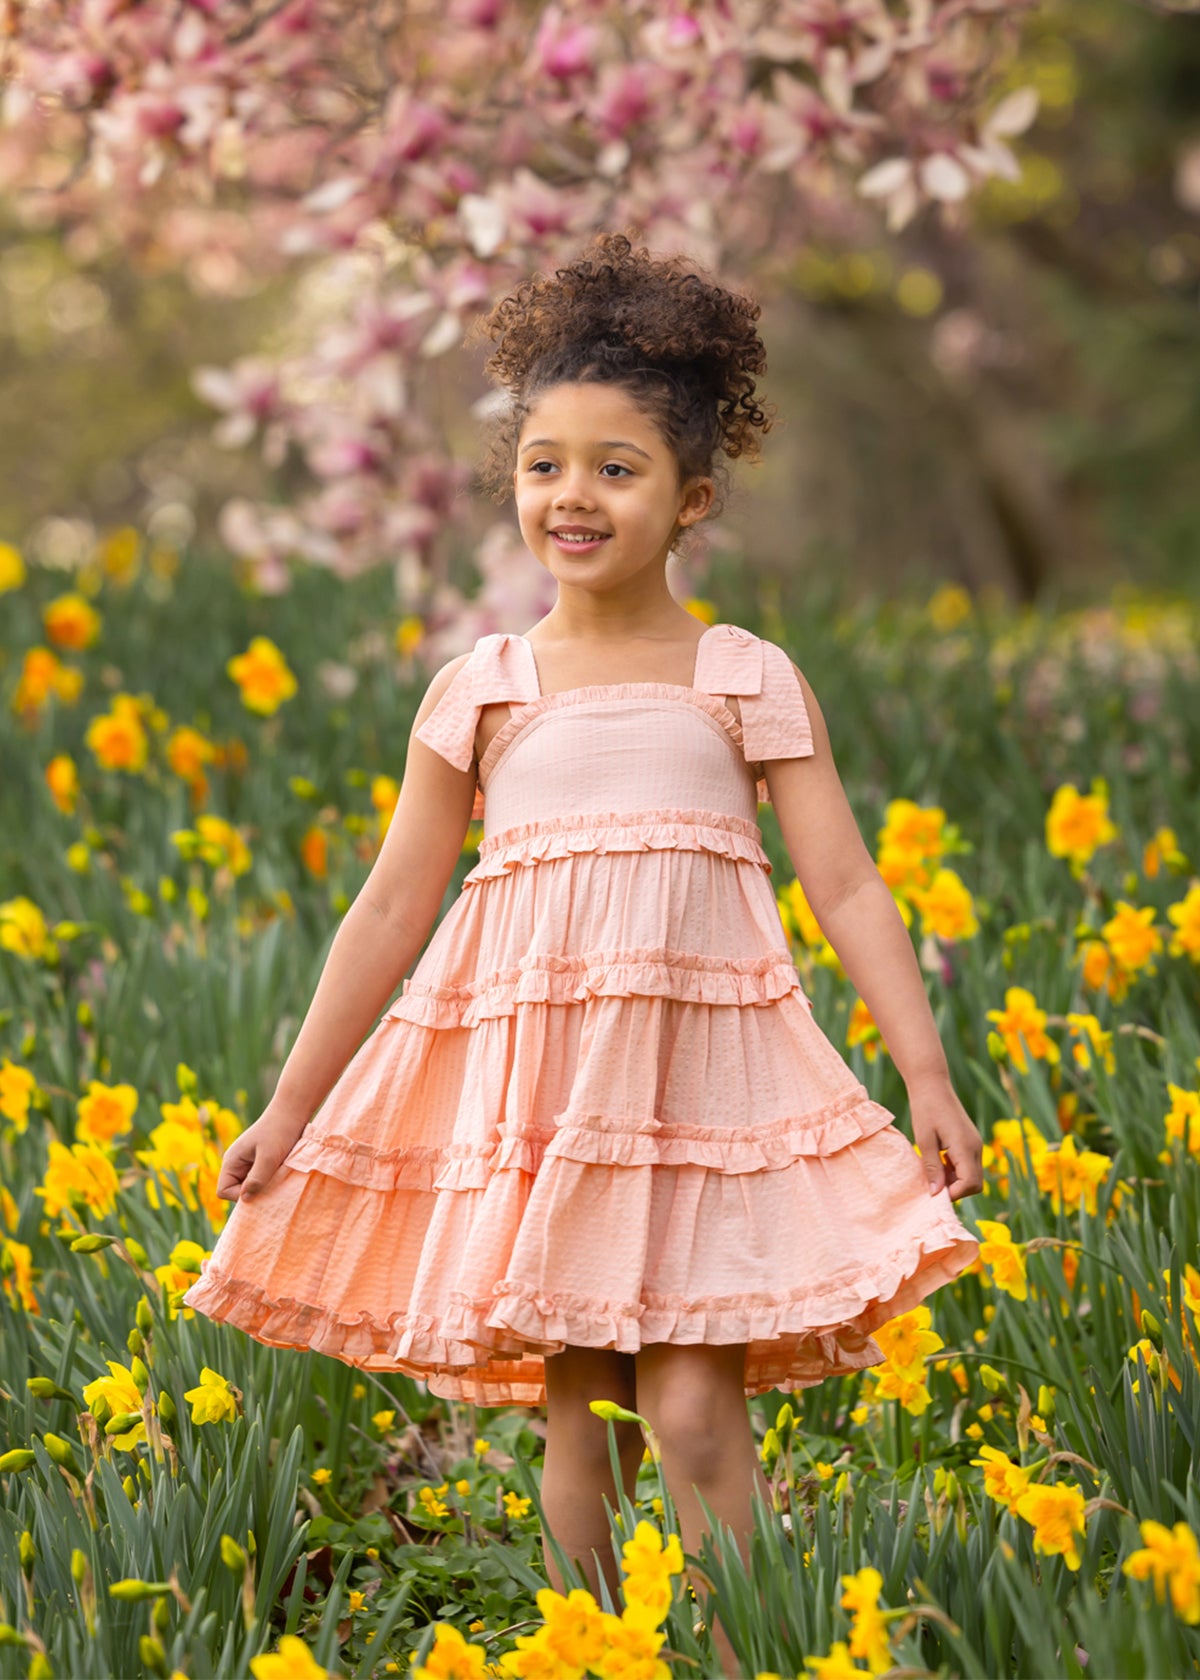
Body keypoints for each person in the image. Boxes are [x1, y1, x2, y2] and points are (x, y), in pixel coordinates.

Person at [186, 230, 983, 1675]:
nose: (574, 494)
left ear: (693, 499)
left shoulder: (742, 676)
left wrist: (924, 1076)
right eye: (546, 463)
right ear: (513, 481)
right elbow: (386, 911)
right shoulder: (484, 689)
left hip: (697, 1107)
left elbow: (853, 886)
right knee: (584, 1422)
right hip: (550, 1110)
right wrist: (289, 1109)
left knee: (689, 1415)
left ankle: (752, 1653)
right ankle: (592, 1651)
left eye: (617, 468)